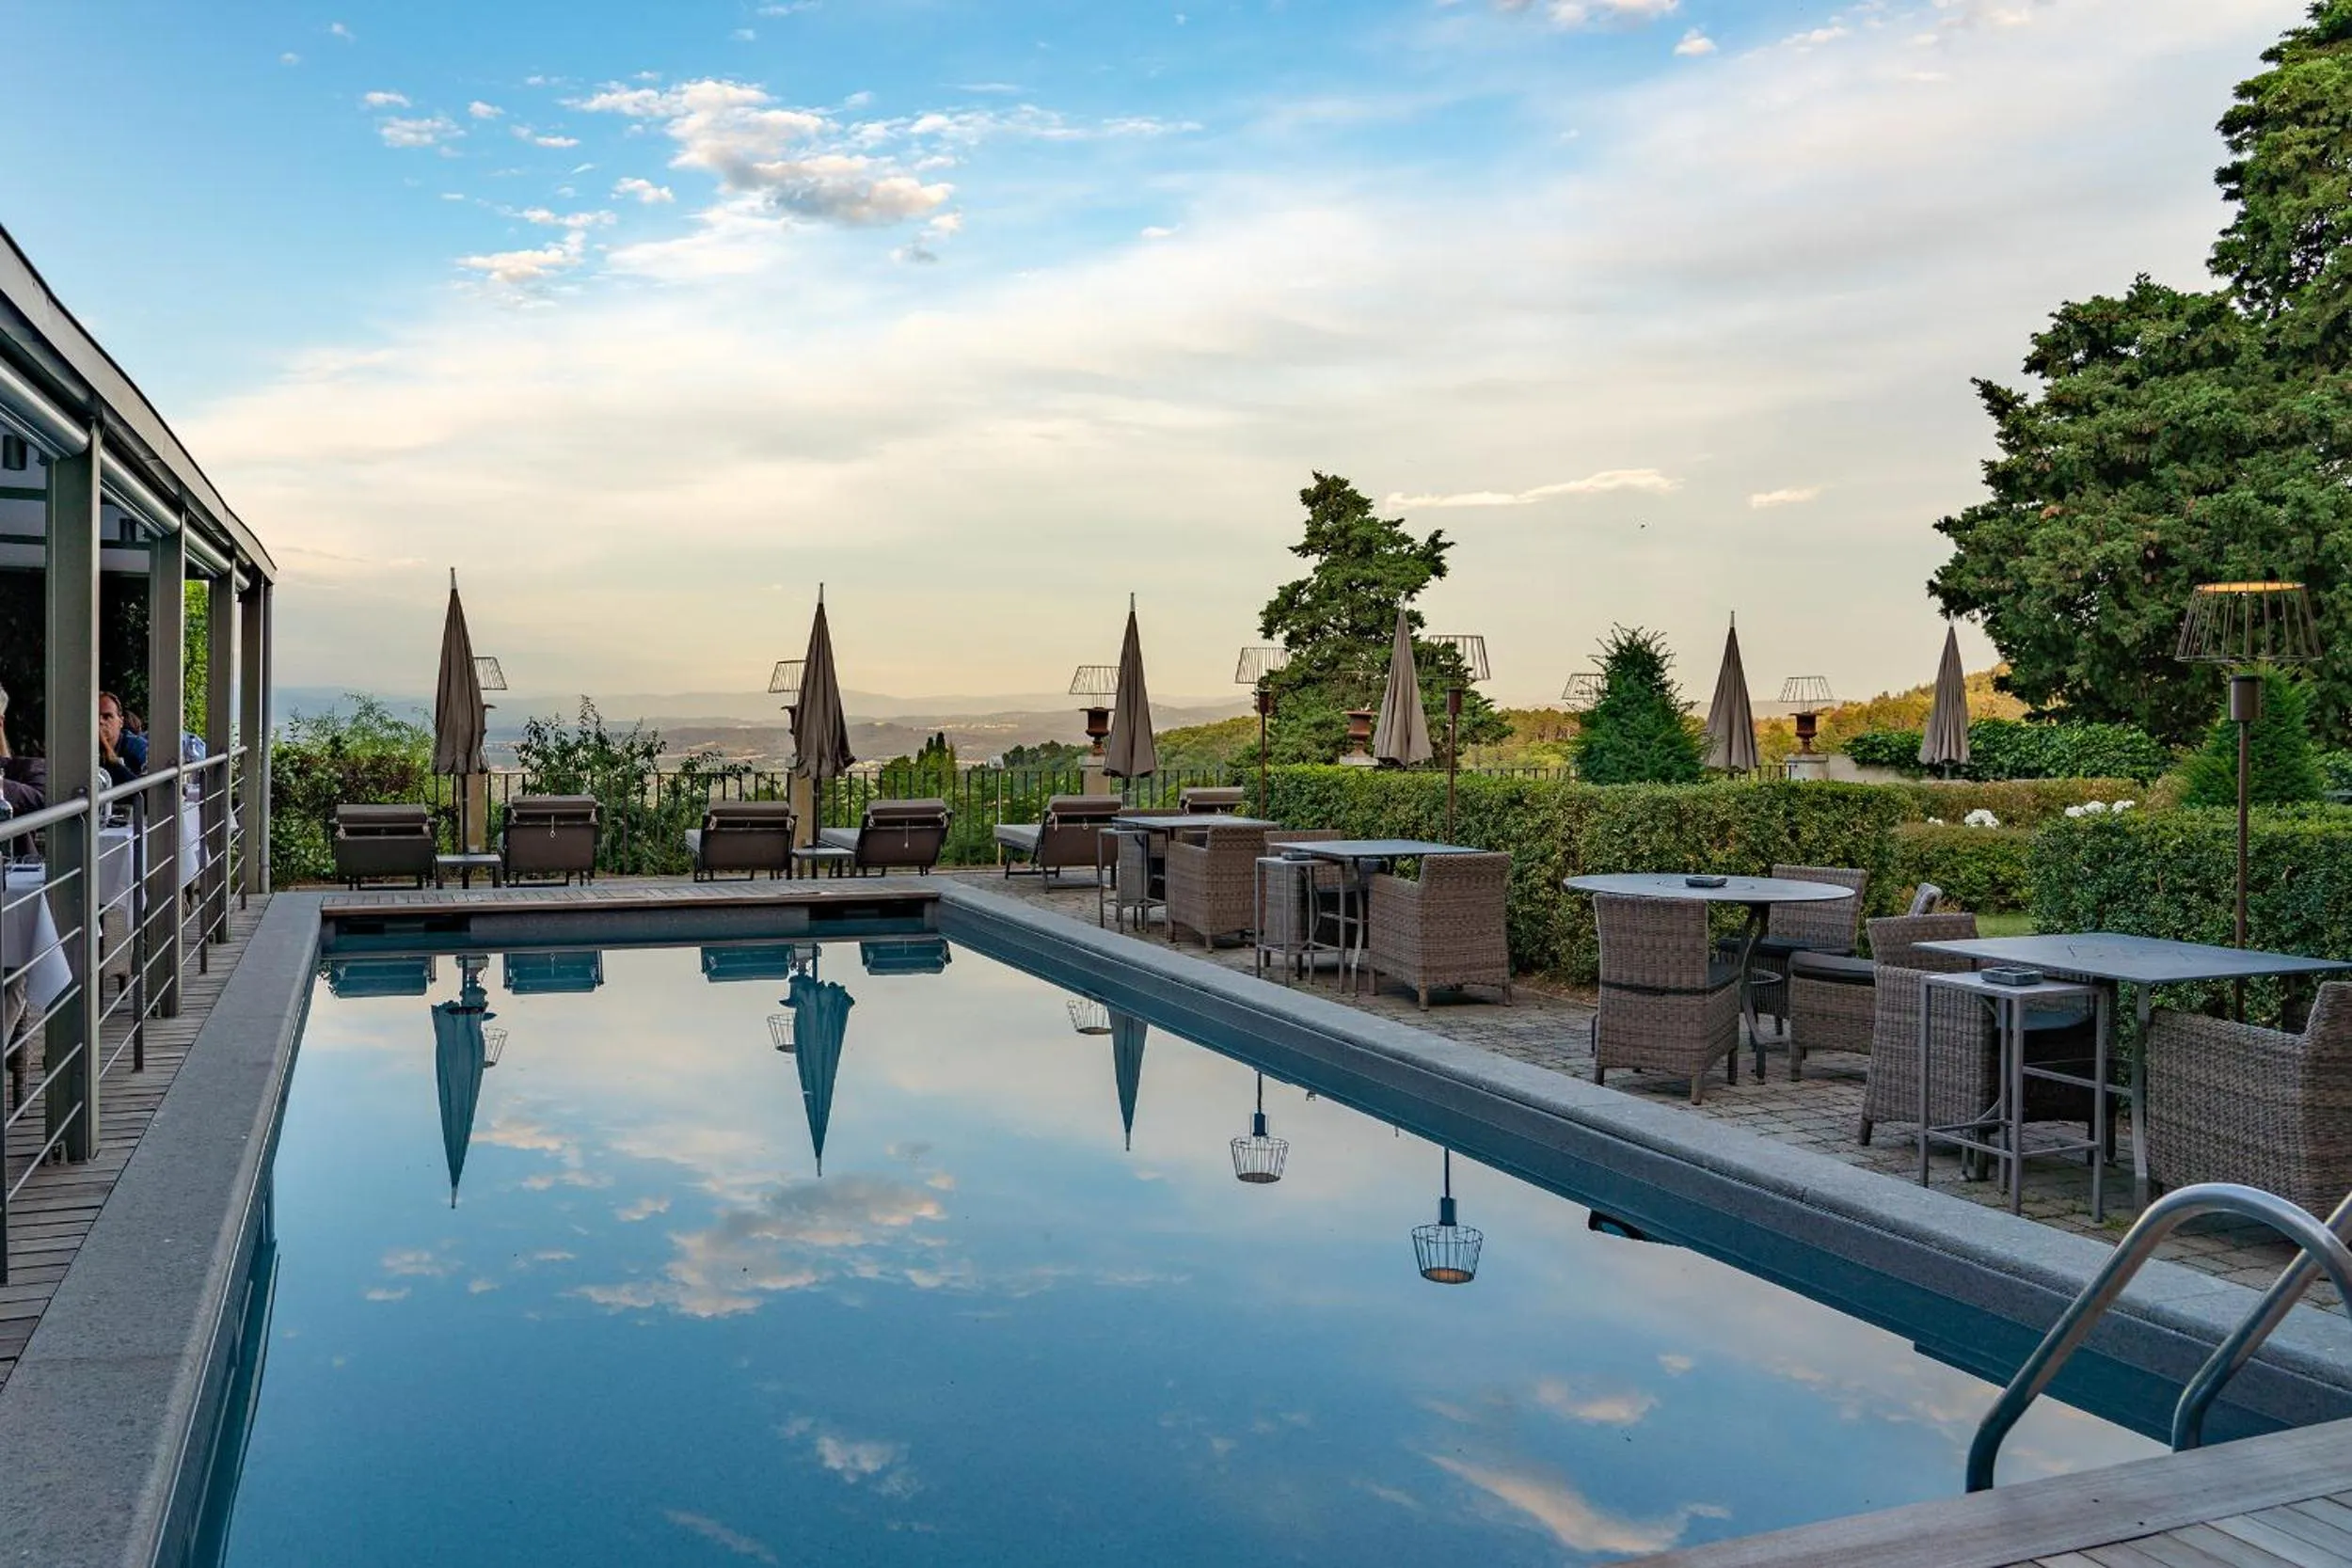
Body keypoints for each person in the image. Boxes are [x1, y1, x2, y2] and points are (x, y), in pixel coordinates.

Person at [99, 691, 141, 787]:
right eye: (94, 717)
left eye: (107, 717)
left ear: (121, 722)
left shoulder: (137, 747)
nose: (100, 721)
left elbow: (147, 793)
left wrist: (114, 762)